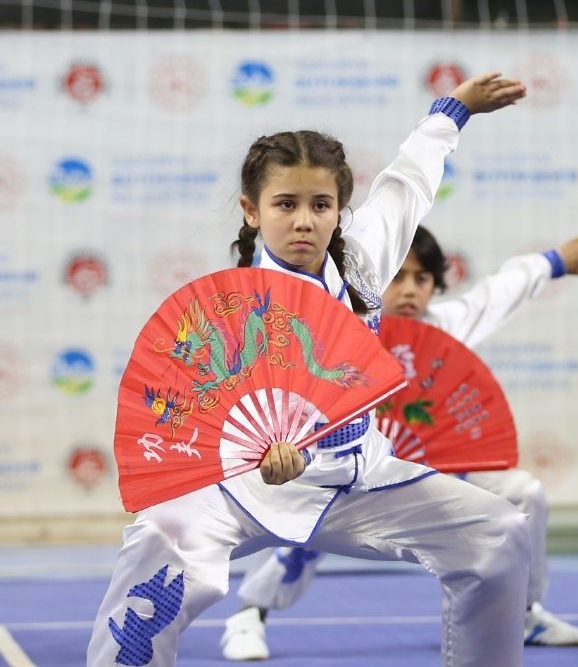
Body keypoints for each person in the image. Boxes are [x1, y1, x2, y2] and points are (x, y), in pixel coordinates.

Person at [88, 73, 532, 667]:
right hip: (250, 487)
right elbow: (203, 405)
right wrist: (258, 454)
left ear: (338, 212)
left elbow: (408, 184)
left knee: (499, 535)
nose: (304, 221)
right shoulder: (230, 310)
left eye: (320, 205)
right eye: (285, 204)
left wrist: (454, 111)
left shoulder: (363, 262)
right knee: (156, 538)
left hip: (361, 477)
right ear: (251, 211)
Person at [220, 225, 578, 659]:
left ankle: (525, 611)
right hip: (347, 473)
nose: (408, 291)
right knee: (293, 518)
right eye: (397, 277)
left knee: (523, 493)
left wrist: (551, 263)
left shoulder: (443, 328)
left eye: (421, 279)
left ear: (435, 285)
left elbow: (496, 294)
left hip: (429, 473)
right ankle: (250, 614)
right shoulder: (338, 327)